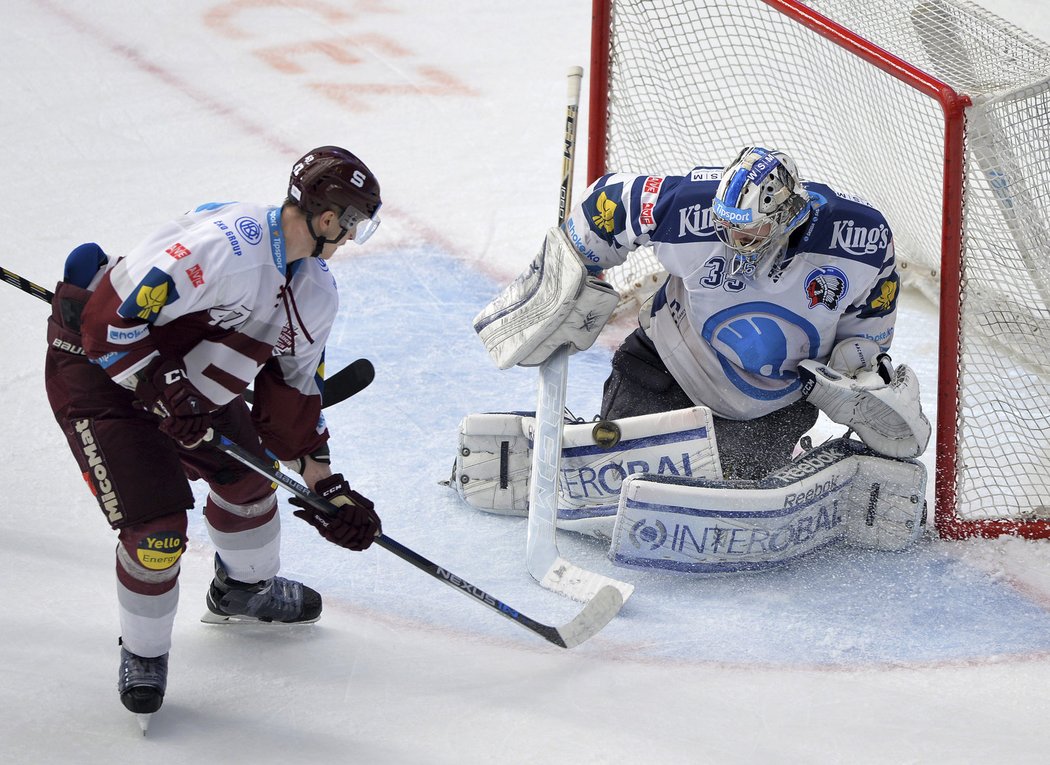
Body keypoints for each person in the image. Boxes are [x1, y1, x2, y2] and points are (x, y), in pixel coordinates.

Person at [43, 146, 384, 721]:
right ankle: (144, 653)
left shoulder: (315, 290)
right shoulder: (226, 249)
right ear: (329, 219)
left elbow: (292, 394)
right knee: (156, 535)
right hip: (101, 377)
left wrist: (327, 487)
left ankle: (242, 592)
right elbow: (108, 326)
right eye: (353, 222)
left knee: (252, 486)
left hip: (190, 380)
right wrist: (160, 387)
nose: (351, 236)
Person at [559, 145, 930, 479]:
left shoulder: (860, 238)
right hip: (669, 366)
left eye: (747, 233)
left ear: (786, 218)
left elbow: (868, 331)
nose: (731, 241)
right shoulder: (689, 206)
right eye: (726, 227)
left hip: (770, 406)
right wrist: (572, 270)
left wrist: (861, 376)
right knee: (617, 468)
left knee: (731, 479)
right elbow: (607, 200)